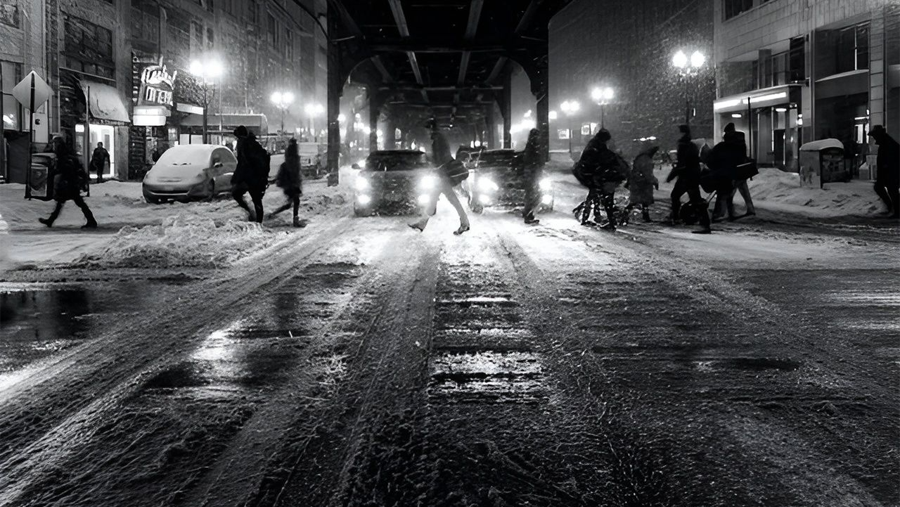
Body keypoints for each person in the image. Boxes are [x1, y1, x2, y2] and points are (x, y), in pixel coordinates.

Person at [409, 130, 470, 235]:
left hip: (442, 176)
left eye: (429, 131)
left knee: (449, 199)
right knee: (441, 198)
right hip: (442, 175)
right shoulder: (441, 142)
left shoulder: (438, 143)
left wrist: (433, 166)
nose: (427, 134)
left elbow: (440, 161)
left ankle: (464, 223)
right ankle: (422, 223)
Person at [39, 136, 97, 229]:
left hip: (69, 183)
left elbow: (65, 168)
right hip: (71, 183)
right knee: (66, 202)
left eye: (55, 144)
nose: (54, 146)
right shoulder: (67, 154)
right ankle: (51, 220)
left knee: (74, 202)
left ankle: (91, 220)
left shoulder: (63, 156)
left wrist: (55, 172)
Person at [667, 125, 711, 232]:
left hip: (687, 176)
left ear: (682, 133)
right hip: (692, 175)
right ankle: (704, 223)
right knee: (695, 198)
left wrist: (672, 175)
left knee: (681, 196)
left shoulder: (684, 145)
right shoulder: (690, 145)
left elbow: (683, 163)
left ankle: (678, 218)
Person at [714, 123, 756, 219]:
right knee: (744, 190)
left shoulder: (728, 142)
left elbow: (727, 156)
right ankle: (750, 209)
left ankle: (724, 213)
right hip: (742, 169)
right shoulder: (741, 140)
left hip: (732, 170)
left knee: (728, 193)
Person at [232, 125, 270, 223]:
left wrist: (237, 177)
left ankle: (256, 219)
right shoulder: (250, 144)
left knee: (253, 198)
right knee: (254, 199)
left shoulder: (247, 145)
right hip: (252, 177)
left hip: (252, 177)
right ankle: (254, 216)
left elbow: (244, 164)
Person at [269, 138, 304, 227]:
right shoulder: (294, 156)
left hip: (289, 183)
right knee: (295, 201)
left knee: (292, 202)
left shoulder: (290, 155)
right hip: (291, 183)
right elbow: (294, 171)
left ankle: (274, 214)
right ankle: (294, 220)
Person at [869, 125, 900, 218]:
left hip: (892, 173)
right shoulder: (886, 143)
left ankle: (896, 210)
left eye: (874, 136)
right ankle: (893, 208)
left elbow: (888, 161)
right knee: (887, 189)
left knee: (892, 190)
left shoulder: (887, 144)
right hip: (889, 172)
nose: (874, 138)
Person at [625, 145, 660, 222]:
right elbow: (647, 173)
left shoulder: (641, 158)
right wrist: (654, 181)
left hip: (637, 182)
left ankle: (643, 215)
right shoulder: (646, 160)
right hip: (642, 183)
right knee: (641, 200)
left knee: (639, 201)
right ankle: (626, 214)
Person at [520, 128, 544, 224]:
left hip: (531, 173)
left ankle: (527, 213)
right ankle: (528, 215)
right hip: (533, 174)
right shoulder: (534, 147)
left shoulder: (531, 146)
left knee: (531, 195)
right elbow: (535, 160)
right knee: (533, 195)